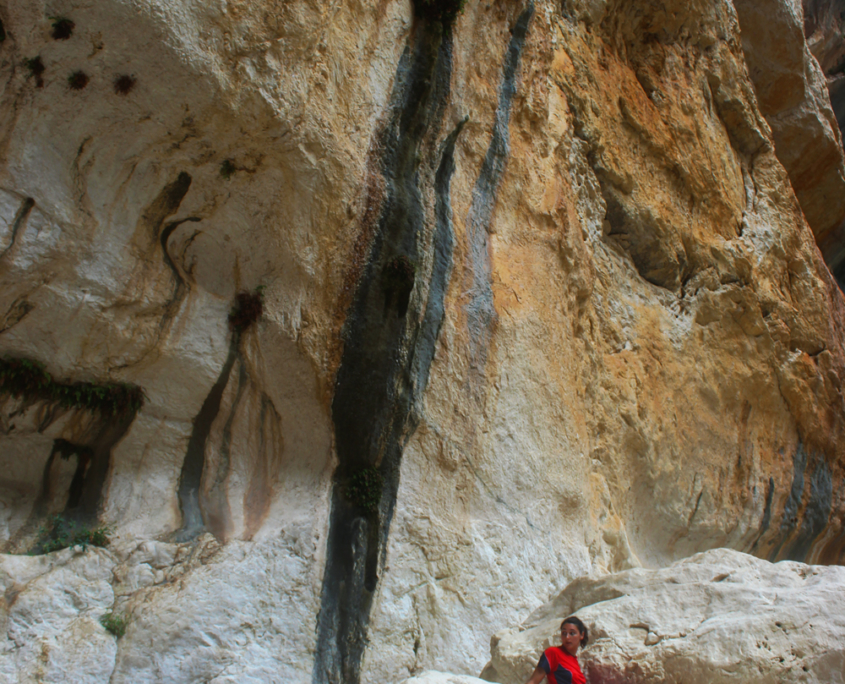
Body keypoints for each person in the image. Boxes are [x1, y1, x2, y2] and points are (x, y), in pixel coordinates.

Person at [523, 616, 588, 684]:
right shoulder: (553, 653)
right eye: (564, 633)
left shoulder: (575, 663)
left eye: (572, 633)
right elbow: (533, 681)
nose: (567, 637)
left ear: (581, 635)